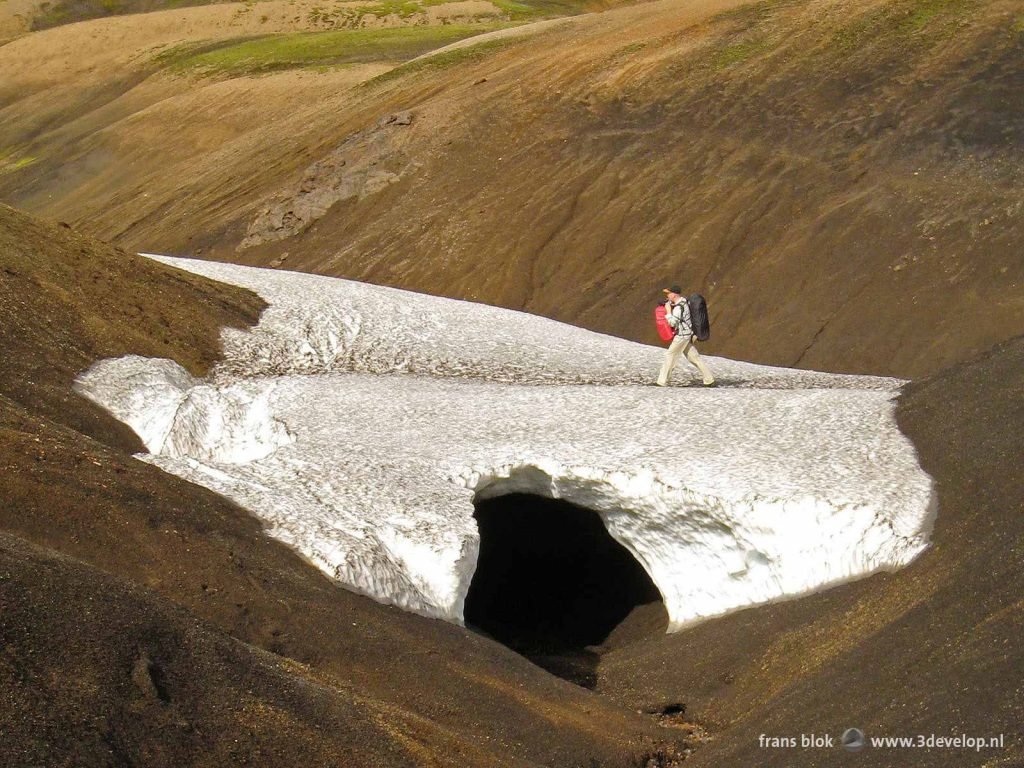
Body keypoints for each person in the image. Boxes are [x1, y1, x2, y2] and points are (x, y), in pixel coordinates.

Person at [657, 285, 715, 387]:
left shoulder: (678, 308)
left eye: (669, 293)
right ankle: (709, 379)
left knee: (670, 356)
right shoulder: (684, 302)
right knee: (694, 358)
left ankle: (661, 382)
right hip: (687, 334)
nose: (667, 295)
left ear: (674, 294)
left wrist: (668, 312)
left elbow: (672, 323)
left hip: (681, 336)